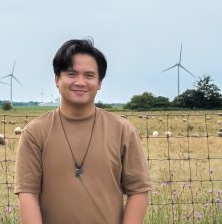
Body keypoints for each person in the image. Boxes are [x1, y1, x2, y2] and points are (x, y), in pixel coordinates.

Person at [14, 39, 152, 224]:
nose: (80, 82)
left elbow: (138, 191)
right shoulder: (35, 132)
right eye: (71, 74)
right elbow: (27, 193)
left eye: (89, 75)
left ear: (100, 82)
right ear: (57, 79)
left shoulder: (123, 131)